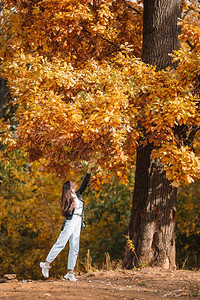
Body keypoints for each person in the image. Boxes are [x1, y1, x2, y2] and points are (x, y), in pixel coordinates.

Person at [40, 160, 95, 281]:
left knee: (75, 246)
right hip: (70, 221)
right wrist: (71, 207)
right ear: (69, 187)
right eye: (72, 183)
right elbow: (64, 213)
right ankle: (46, 264)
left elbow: (84, 184)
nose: (75, 183)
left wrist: (89, 170)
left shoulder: (78, 194)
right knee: (61, 243)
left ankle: (70, 272)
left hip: (78, 221)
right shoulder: (67, 198)